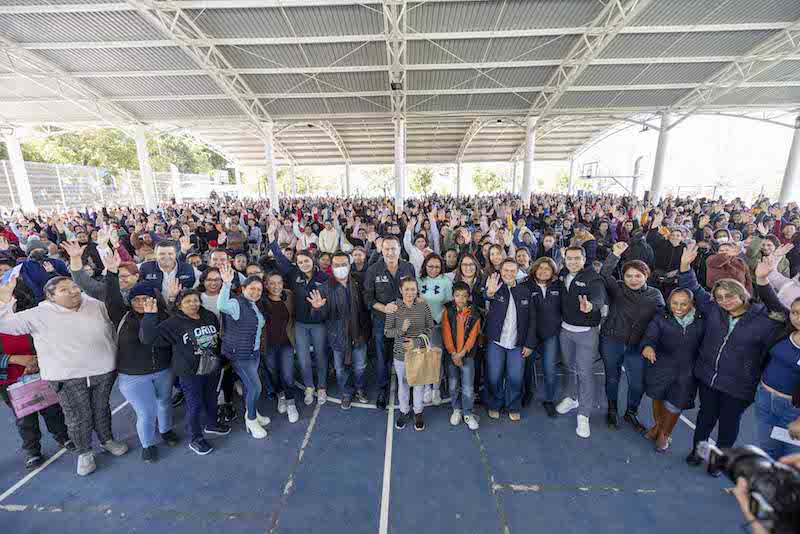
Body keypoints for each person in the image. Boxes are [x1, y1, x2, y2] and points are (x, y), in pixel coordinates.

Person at [0, 269, 128, 476]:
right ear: (50, 296)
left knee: (101, 409)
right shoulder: (37, 314)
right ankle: (84, 453)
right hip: (67, 377)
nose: (73, 292)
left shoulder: (95, 305)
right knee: (78, 416)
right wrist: (4, 301)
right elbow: (5, 325)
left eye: (74, 287)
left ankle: (107, 440)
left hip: (103, 370)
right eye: (64, 290)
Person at [679, 244, 782, 476]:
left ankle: (721, 461)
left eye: (730, 296)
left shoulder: (764, 320)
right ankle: (698, 450)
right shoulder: (714, 309)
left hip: (739, 385)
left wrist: (763, 281)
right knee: (705, 417)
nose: (726, 301)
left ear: (743, 294)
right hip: (708, 377)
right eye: (720, 297)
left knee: (728, 425)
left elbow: (782, 314)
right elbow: (692, 287)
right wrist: (685, 265)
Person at [103, 252, 179, 463]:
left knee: (164, 403)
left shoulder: (164, 316)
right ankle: (147, 445)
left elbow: (156, 336)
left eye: (145, 298)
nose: (140, 302)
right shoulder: (123, 315)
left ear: (154, 299)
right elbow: (112, 298)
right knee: (146, 412)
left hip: (163, 370)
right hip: (133, 376)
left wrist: (158, 311)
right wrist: (110, 273)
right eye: (136, 299)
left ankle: (165, 431)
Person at [144, 289, 229, 456]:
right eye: (188, 301)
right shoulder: (174, 323)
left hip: (211, 368)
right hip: (189, 373)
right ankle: (195, 438)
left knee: (211, 398)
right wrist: (149, 316)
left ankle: (211, 424)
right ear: (179, 305)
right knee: (194, 404)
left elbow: (216, 339)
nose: (193, 304)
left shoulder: (209, 316)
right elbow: (150, 338)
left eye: (196, 300)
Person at [599, 242, 665, 431]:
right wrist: (615, 255)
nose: (633, 279)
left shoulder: (655, 294)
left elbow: (661, 322)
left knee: (637, 382)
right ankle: (612, 410)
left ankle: (631, 412)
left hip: (638, 345)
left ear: (646, 276)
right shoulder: (617, 288)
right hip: (612, 340)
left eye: (638, 276)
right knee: (612, 378)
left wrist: (651, 343)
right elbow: (604, 274)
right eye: (629, 276)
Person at [268, 226, 330, 406]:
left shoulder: (324, 278)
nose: (303, 264)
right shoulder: (293, 272)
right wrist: (272, 238)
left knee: (320, 356)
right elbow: (279, 257)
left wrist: (320, 308)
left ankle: (322, 387)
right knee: (303, 358)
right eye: (300, 261)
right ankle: (309, 387)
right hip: (300, 324)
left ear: (313, 260)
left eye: (306, 261)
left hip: (319, 324)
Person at [0, 317, 72, 469]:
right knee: (25, 418)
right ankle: (32, 451)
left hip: (40, 371)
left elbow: (44, 337)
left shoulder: (23, 313)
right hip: (10, 380)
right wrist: (14, 359)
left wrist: (37, 360)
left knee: (52, 408)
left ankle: (63, 436)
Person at [640, 288, 704, 452]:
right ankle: (659, 426)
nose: (679, 307)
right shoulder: (661, 317)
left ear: (692, 303)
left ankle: (664, 433)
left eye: (684, 304)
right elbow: (650, 336)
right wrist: (648, 346)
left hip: (688, 370)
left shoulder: (701, 320)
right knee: (658, 397)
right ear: (669, 302)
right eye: (674, 303)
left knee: (676, 403)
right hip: (662, 365)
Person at [307, 252, 371, 409]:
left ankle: (360, 389)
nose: (340, 268)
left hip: (359, 334)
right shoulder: (324, 288)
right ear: (331, 267)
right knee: (340, 369)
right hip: (337, 337)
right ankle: (346, 393)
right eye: (336, 265)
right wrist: (316, 309)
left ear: (349, 266)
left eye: (344, 264)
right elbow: (318, 318)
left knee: (361, 366)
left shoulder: (359, 282)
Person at [555, 245, 607, 439]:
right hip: (565, 330)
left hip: (586, 333)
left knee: (585, 373)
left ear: (584, 259)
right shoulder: (563, 275)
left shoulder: (593, 278)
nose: (573, 262)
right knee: (569, 367)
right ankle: (572, 397)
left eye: (577, 258)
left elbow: (599, 298)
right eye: (569, 259)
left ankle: (584, 415)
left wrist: (591, 306)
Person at [752, 256, 800, 459]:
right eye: (795, 312)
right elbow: (773, 301)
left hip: (793, 410)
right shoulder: (787, 327)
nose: (798, 317)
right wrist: (762, 278)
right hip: (765, 398)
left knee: (790, 456)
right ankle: (762, 489)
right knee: (766, 449)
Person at [218, 265, 270, 439]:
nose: (255, 292)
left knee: (250, 387)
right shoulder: (236, 303)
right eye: (252, 288)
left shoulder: (254, 305)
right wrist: (226, 284)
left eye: (259, 289)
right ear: (243, 289)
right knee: (256, 387)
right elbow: (222, 305)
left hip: (253, 353)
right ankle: (251, 420)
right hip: (240, 355)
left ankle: (252, 412)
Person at [364, 235, 416, 409]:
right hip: (382, 321)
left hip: (404, 321)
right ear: (381, 250)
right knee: (382, 358)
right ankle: (382, 390)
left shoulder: (409, 267)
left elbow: (413, 292)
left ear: (400, 249)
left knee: (406, 356)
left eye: (393, 248)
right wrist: (383, 307)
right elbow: (367, 298)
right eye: (386, 249)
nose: (390, 252)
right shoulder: (372, 270)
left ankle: (407, 390)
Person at [483, 259, 537, 421]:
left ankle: (513, 405)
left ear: (517, 272)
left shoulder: (524, 291)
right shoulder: (495, 287)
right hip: (496, 342)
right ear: (500, 271)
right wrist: (489, 292)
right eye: (505, 270)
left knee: (515, 377)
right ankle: (495, 404)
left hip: (517, 343)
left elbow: (532, 320)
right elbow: (484, 296)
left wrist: (529, 344)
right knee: (494, 376)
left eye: (512, 271)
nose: (509, 273)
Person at [384, 277, 434, 431]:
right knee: (403, 384)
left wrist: (416, 342)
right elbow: (387, 332)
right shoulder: (394, 307)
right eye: (407, 289)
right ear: (400, 290)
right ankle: (404, 410)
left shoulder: (423, 306)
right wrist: (401, 330)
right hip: (401, 354)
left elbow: (430, 329)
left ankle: (418, 412)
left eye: (413, 289)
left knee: (418, 384)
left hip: (419, 352)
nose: (410, 292)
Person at [441, 282, 481, 430]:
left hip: (467, 355)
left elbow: (473, 336)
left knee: (468, 386)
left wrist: (462, 353)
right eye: (457, 295)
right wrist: (453, 353)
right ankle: (456, 409)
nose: (461, 299)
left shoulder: (474, 312)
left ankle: (468, 413)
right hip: (452, 356)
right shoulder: (448, 311)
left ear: (469, 297)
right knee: (453, 384)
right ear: (453, 296)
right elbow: (446, 332)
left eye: (464, 296)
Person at [526, 256, 562, 416]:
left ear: (552, 271)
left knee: (549, 368)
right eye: (540, 268)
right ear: (534, 269)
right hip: (530, 335)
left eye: (547, 269)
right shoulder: (526, 286)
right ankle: (526, 393)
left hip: (551, 335)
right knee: (526, 367)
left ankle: (549, 399)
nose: (543, 271)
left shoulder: (558, 286)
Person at [262, 271, 299, 423]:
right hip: (268, 344)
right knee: (273, 372)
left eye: (279, 283)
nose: (276, 286)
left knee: (288, 375)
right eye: (272, 283)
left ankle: (291, 402)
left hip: (286, 343)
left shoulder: (289, 296)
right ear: (266, 284)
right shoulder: (261, 300)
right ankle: (280, 395)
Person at [417, 253, 453, 406]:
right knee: (424, 356)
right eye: (430, 266)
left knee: (437, 358)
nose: (433, 269)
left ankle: (436, 389)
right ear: (425, 265)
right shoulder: (419, 280)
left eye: (437, 266)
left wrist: (437, 317)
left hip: (438, 323)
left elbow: (449, 302)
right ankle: (427, 386)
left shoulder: (445, 281)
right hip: (422, 324)